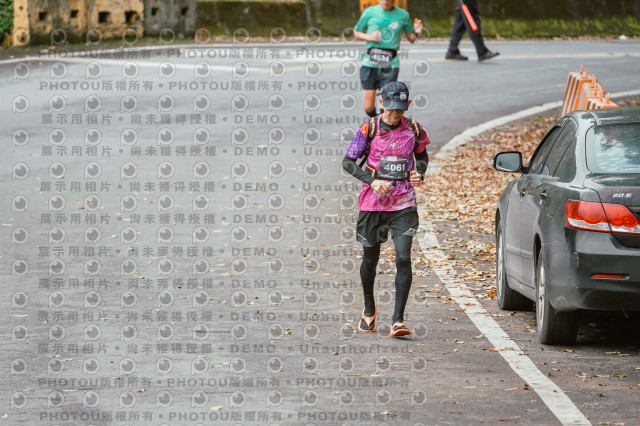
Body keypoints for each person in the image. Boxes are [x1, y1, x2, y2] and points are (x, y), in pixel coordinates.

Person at [342, 81, 430, 337]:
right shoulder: (368, 129)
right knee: (371, 259)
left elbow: (422, 156)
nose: (394, 114)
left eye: (400, 110)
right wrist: (372, 181)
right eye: (390, 109)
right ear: (381, 103)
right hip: (372, 205)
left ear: (408, 105)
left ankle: (398, 320)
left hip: (403, 203)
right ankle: (369, 309)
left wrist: (420, 173)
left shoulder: (414, 129)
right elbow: (348, 162)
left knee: (403, 257)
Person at [353, 0, 424, 118]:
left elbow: (411, 38)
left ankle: (382, 126)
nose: (386, 1)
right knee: (368, 107)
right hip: (370, 63)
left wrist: (416, 33)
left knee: (386, 105)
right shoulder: (369, 12)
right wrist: (369, 36)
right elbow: (356, 33)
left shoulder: (403, 15)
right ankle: (376, 122)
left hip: (390, 64)